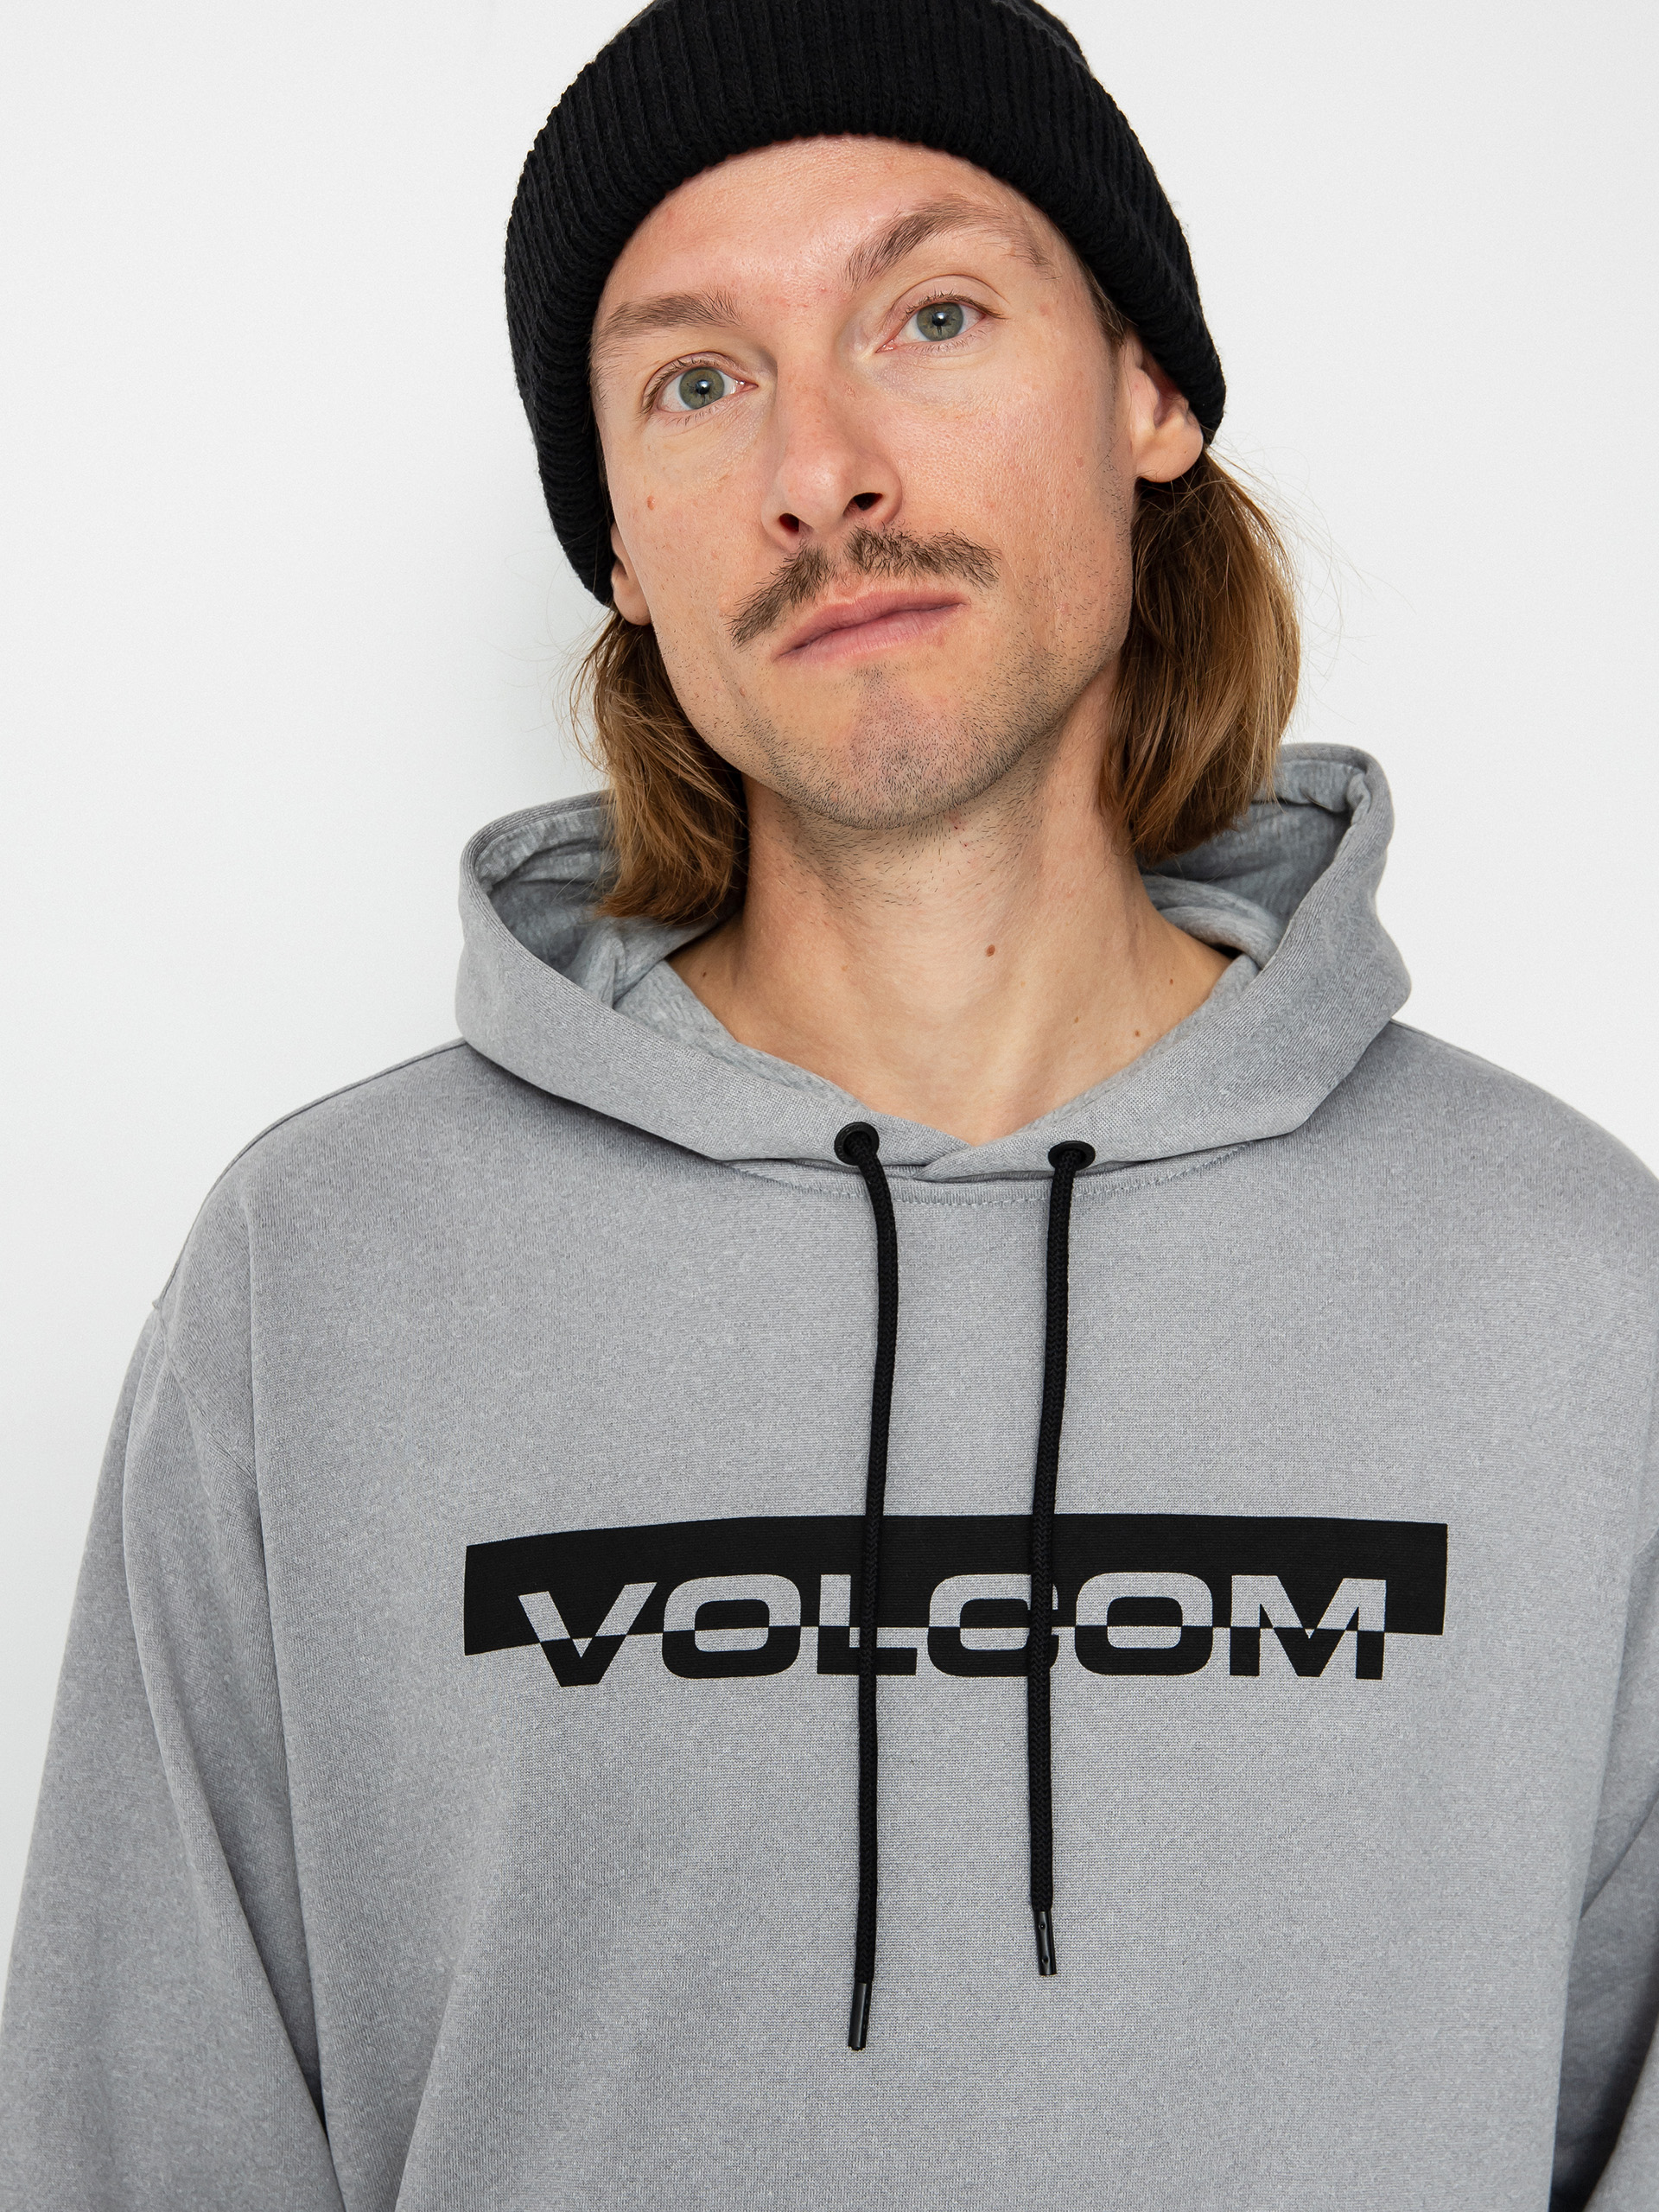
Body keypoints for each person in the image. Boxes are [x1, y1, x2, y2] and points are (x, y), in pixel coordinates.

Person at [3, 0, 1656, 2203]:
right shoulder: (324, 1281)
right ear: (624, 547)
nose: (822, 470)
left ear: (1151, 393)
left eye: (932, 315)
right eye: (698, 381)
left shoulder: (1569, 1289)